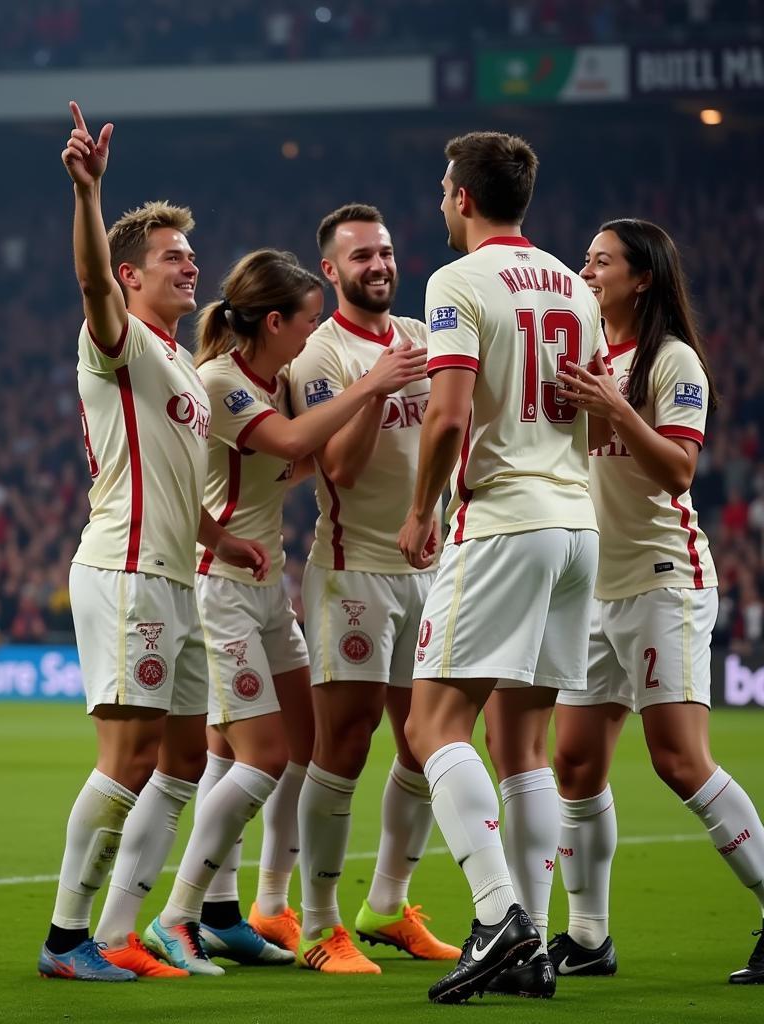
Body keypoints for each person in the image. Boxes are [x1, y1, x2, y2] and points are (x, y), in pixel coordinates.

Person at [142, 248, 430, 973]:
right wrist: (371, 384)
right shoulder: (222, 381)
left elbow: (297, 464)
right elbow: (295, 442)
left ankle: (243, 910)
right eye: (307, 321)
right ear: (274, 322)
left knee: (300, 746)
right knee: (265, 757)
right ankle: (174, 918)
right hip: (221, 593)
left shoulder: (269, 379)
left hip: (264, 584)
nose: (315, 334)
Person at [37, 101, 270, 983]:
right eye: (173, 256)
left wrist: (221, 534)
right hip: (126, 572)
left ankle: (126, 929)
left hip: (175, 574)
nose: (191, 264)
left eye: (190, 254)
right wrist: (89, 195)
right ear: (132, 276)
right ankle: (67, 937)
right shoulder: (120, 339)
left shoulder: (177, 364)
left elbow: (172, 479)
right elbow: (92, 283)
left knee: (180, 758)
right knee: (130, 758)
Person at [397, 131, 604, 1003]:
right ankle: (535, 949)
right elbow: (592, 422)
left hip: (505, 522)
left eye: (446, 190)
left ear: (464, 197)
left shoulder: (458, 281)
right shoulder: (574, 286)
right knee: (519, 744)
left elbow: (446, 417)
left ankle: (497, 915)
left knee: (431, 725)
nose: (443, 202)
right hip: (575, 524)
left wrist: (420, 510)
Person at [550, 218, 764, 986]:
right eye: (587, 259)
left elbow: (677, 471)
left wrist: (617, 409)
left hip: (662, 579)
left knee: (678, 760)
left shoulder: (672, 362)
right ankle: (586, 936)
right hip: (590, 588)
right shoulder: (578, 353)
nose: (588, 268)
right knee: (573, 764)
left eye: (601, 261)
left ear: (641, 278)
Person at [286, 204, 461, 974]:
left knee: (427, 743)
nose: (379, 266)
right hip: (354, 570)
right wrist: (380, 386)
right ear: (332, 270)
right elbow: (344, 470)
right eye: (361, 257)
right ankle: (321, 925)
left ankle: (387, 905)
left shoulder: (428, 336)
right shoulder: (319, 358)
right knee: (346, 746)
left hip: (433, 566)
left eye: (385, 252)